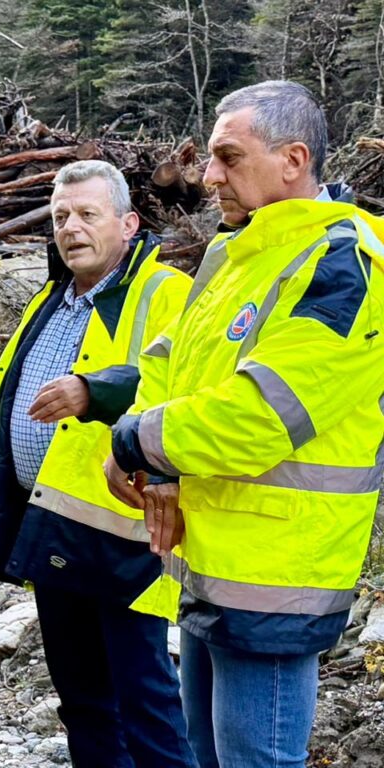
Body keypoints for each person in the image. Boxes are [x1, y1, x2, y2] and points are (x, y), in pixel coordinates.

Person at [105, 80, 384, 768]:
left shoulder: (342, 265)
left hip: (275, 575)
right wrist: (158, 466)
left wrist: (134, 441)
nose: (208, 176)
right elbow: (164, 360)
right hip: (210, 554)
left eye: (228, 157)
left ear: (293, 160)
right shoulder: (237, 256)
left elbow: (261, 415)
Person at [0, 160, 195, 768]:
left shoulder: (166, 292)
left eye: (87, 214)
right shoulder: (50, 301)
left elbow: (186, 385)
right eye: (60, 217)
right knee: (82, 702)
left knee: (145, 700)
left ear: (128, 224)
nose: (70, 228)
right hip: (56, 523)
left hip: (126, 532)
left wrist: (94, 390)